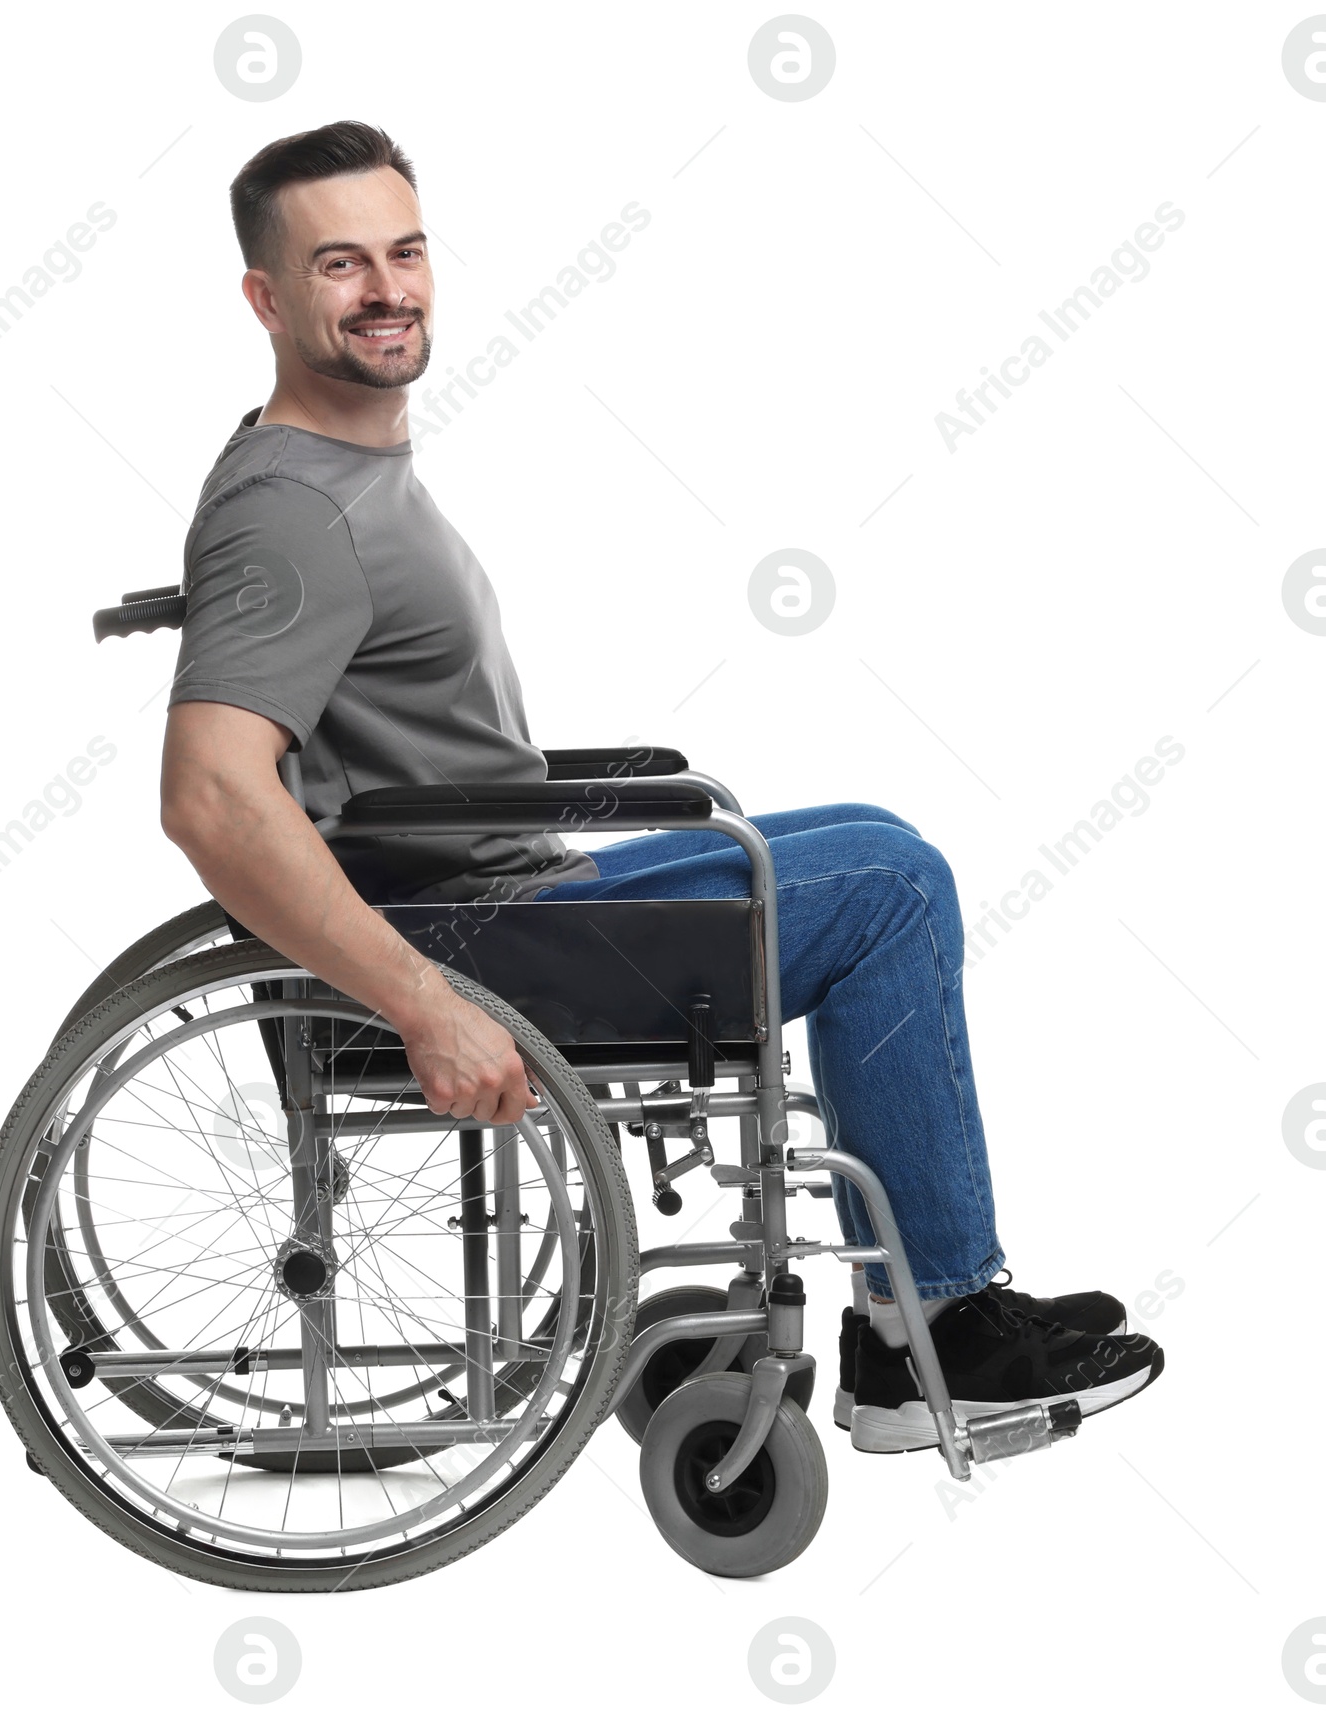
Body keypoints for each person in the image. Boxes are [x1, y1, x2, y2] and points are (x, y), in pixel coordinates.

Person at [158, 119, 1163, 1454]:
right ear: (266, 298)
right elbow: (213, 797)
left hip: (504, 894)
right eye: (341, 264)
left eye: (404, 251)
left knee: (876, 838)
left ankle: (914, 1310)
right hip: (471, 941)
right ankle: (935, 1327)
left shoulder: (348, 471)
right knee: (888, 889)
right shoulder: (289, 511)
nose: (389, 288)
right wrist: (426, 1005)